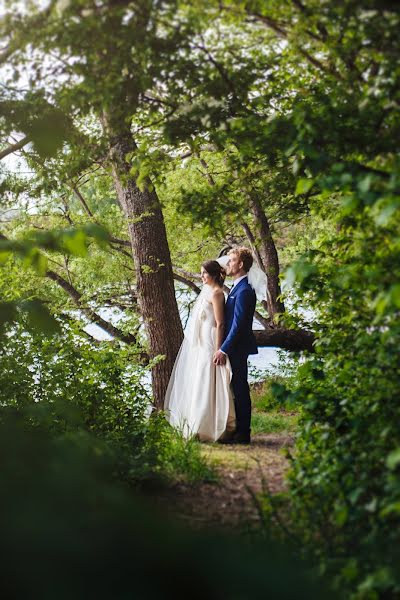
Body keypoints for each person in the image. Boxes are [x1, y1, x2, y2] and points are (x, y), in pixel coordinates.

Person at [164, 260, 236, 442]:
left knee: (207, 376)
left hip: (211, 341)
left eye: (204, 273)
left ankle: (208, 424)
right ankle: (195, 422)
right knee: (198, 377)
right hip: (201, 341)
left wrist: (219, 349)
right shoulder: (207, 292)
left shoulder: (218, 294)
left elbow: (220, 323)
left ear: (214, 274)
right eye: (201, 273)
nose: (202, 276)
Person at [214, 247, 258, 445]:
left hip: (237, 348)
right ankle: (234, 429)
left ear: (241, 265)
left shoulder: (245, 291)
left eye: (231, 261)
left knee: (239, 387)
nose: (228, 264)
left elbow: (238, 325)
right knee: (234, 387)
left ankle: (243, 433)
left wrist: (224, 348)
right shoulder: (236, 287)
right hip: (234, 347)